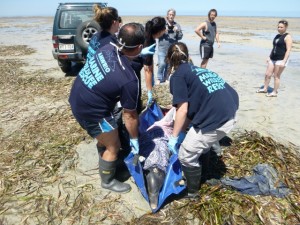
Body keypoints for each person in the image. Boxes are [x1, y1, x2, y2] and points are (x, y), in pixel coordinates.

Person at [69, 23, 146, 193]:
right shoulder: (129, 80)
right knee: (114, 145)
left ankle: (105, 153)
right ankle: (108, 180)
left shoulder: (108, 47)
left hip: (78, 95)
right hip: (91, 111)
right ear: (140, 47)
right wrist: (134, 140)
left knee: (107, 137)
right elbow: (130, 116)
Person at [166, 42, 239, 198]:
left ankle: (193, 192)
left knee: (186, 153)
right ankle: (204, 173)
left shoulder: (178, 76)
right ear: (189, 56)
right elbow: (193, 107)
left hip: (218, 118)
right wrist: (183, 130)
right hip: (231, 111)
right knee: (199, 142)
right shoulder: (199, 70)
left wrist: (173, 137)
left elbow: (183, 109)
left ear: (169, 60)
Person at [256, 19, 292, 97]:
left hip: (281, 59)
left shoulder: (287, 37)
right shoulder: (277, 36)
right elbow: (274, 48)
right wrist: (269, 56)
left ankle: (274, 92)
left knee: (276, 76)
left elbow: (288, 50)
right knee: (267, 74)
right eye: (278, 27)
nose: (279, 28)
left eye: (281, 27)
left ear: (286, 27)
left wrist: (284, 61)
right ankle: (265, 88)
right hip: (273, 58)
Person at [143, 16, 167, 106]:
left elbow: (150, 62)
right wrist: (149, 92)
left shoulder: (144, 32)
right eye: (164, 28)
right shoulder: (150, 42)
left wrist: (152, 75)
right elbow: (147, 69)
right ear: (160, 31)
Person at [157, 9, 183, 84]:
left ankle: (166, 78)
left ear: (174, 16)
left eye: (172, 15)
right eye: (170, 14)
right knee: (162, 64)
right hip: (162, 48)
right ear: (167, 15)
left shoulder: (177, 25)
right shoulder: (162, 25)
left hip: (172, 49)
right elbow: (157, 36)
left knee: (169, 65)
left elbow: (180, 37)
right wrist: (163, 31)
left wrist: (177, 31)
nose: (171, 16)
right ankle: (159, 78)